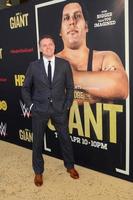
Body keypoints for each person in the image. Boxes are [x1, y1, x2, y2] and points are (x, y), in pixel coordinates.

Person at [21, 35, 79, 187]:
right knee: (38, 142)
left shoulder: (64, 65)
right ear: (40, 49)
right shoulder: (33, 66)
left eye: (50, 44)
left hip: (60, 109)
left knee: (65, 138)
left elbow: (71, 87)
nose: (48, 47)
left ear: (54, 46)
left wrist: (67, 105)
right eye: (44, 45)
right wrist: (31, 106)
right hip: (39, 109)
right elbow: (25, 88)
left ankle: (70, 166)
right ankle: (38, 171)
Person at [56, 0, 128, 104]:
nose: (72, 21)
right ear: (60, 31)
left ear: (86, 26)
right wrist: (99, 93)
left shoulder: (106, 57)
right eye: (66, 18)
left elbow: (121, 87)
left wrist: (71, 76)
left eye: (77, 16)